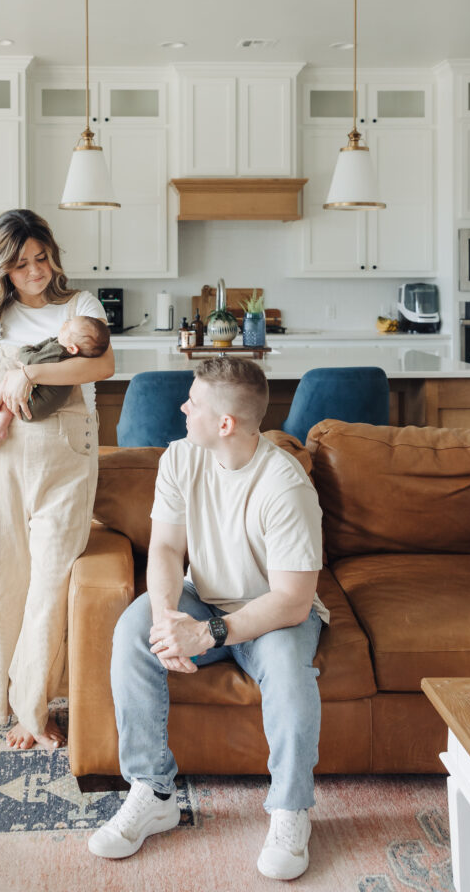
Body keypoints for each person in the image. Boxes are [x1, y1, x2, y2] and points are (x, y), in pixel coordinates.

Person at [88, 357, 328, 881]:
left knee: (289, 673)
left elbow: (292, 598)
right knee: (133, 633)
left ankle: (290, 811)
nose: (183, 407)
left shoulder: (284, 486)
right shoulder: (181, 457)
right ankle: (153, 793)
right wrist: (167, 619)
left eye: (193, 402)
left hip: (272, 612)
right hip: (205, 595)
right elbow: (168, 549)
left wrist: (208, 633)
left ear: (225, 423)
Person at [0, 209, 114, 751]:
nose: (36, 271)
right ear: (1, 270)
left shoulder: (80, 307)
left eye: (41, 258)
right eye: (21, 265)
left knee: (49, 581)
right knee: (6, 580)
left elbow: (101, 367)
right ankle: (9, 698)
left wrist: (33, 370)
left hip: (65, 457)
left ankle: (32, 708)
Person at [0, 315, 111, 439]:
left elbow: (30, 361)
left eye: (68, 328)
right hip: (42, 402)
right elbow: (45, 345)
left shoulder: (58, 352)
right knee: (12, 382)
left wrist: (24, 349)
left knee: (9, 381)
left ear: (72, 349)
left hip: (34, 407)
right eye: (69, 321)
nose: (65, 324)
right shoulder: (68, 350)